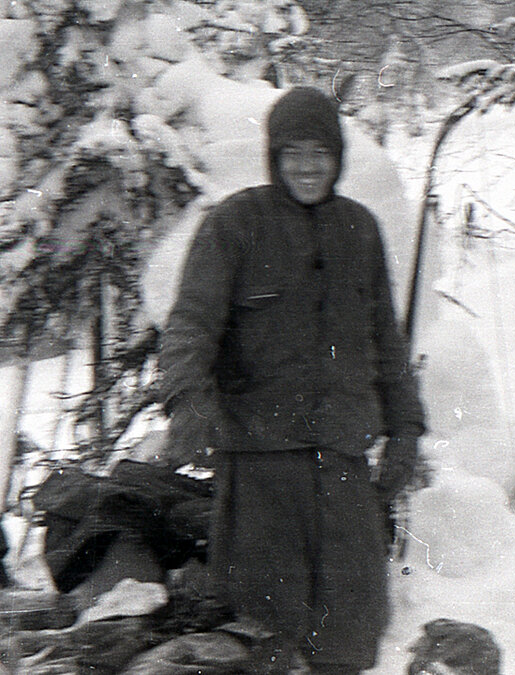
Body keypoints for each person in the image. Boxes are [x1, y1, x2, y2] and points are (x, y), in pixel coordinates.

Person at [157, 87, 425, 674]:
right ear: (273, 156)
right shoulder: (234, 225)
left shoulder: (361, 230)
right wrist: (187, 403)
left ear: (339, 156)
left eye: (320, 152)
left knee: (352, 632)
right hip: (260, 472)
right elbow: (190, 325)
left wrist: (406, 431)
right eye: (293, 152)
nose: (307, 166)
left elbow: (387, 341)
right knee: (264, 635)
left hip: (342, 467)